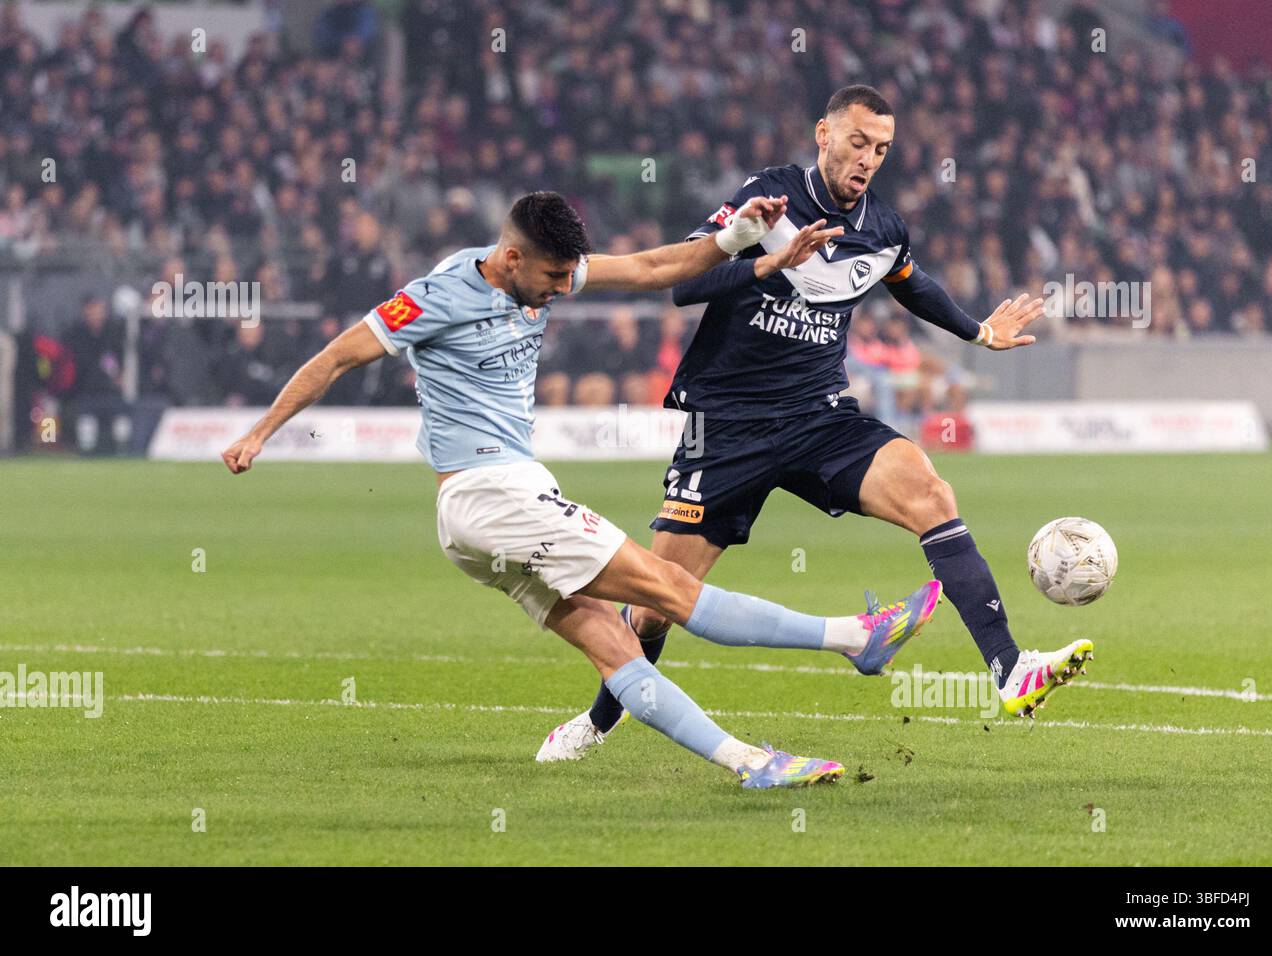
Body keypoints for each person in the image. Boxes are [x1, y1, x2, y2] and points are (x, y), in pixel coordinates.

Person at [222, 191, 943, 789]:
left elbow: (657, 267)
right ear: (511, 258)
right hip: (494, 492)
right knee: (667, 588)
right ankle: (854, 638)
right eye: (553, 277)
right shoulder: (438, 294)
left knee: (611, 642)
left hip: (474, 521)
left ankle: (750, 763)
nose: (564, 289)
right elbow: (337, 355)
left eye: (571, 274)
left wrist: (740, 238)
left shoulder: (545, 269)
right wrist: (261, 433)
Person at [541, 85, 1094, 762]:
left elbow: (909, 281)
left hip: (818, 417)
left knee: (931, 494)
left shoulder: (883, 228)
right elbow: (685, 283)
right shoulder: (768, 196)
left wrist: (977, 331)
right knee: (656, 603)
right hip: (728, 427)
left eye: (882, 150)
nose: (868, 159)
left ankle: (1010, 670)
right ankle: (601, 719)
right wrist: (766, 262)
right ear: (823, 134)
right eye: (858, 142)